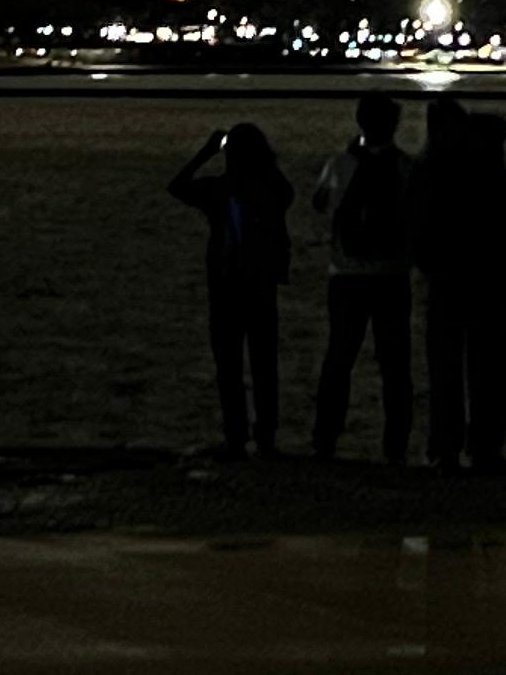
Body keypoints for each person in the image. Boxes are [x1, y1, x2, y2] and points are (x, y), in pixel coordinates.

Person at [166, 121, 292, 456]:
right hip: (261, 286)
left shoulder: (219, 190)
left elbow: (177, 185)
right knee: (264, 366)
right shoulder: (271, 189)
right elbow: (285, 192)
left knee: (229, 367)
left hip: (225, 286)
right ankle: (266, 437)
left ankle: (236, 436)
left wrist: (206, 152)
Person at [308, 95, 415, 462]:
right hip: (392, 275)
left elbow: (320, 203)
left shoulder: (339, 164)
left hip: (346, 274)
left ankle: (325, 439)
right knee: (396, 364)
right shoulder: (406, 168)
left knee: (338, 358)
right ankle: (396, 445)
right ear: (395, 124)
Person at [448, 110, 506, 469]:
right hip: (495, 285)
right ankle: (487, 444)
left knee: (458, 367)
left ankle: (459, 444)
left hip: (463, 281)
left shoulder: (458, 182)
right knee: (494, 369)